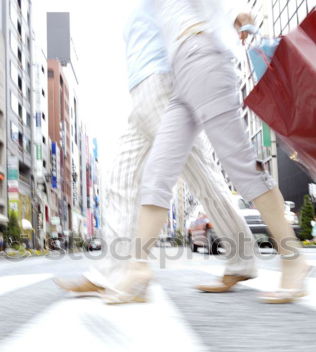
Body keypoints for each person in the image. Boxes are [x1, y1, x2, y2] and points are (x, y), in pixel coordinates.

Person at [103, 0, 309, 305]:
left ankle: (293, 260)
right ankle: (137, 267)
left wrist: (237, 11)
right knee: (158, 173)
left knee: (241, 167)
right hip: (180, 74)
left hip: (203, 57)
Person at [55, 0, 259, 297]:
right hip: (141, 94)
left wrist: (234, 13)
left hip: (166, 84)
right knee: (119, 179)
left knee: (201, 177)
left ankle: (241, 259)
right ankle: (111, 271)